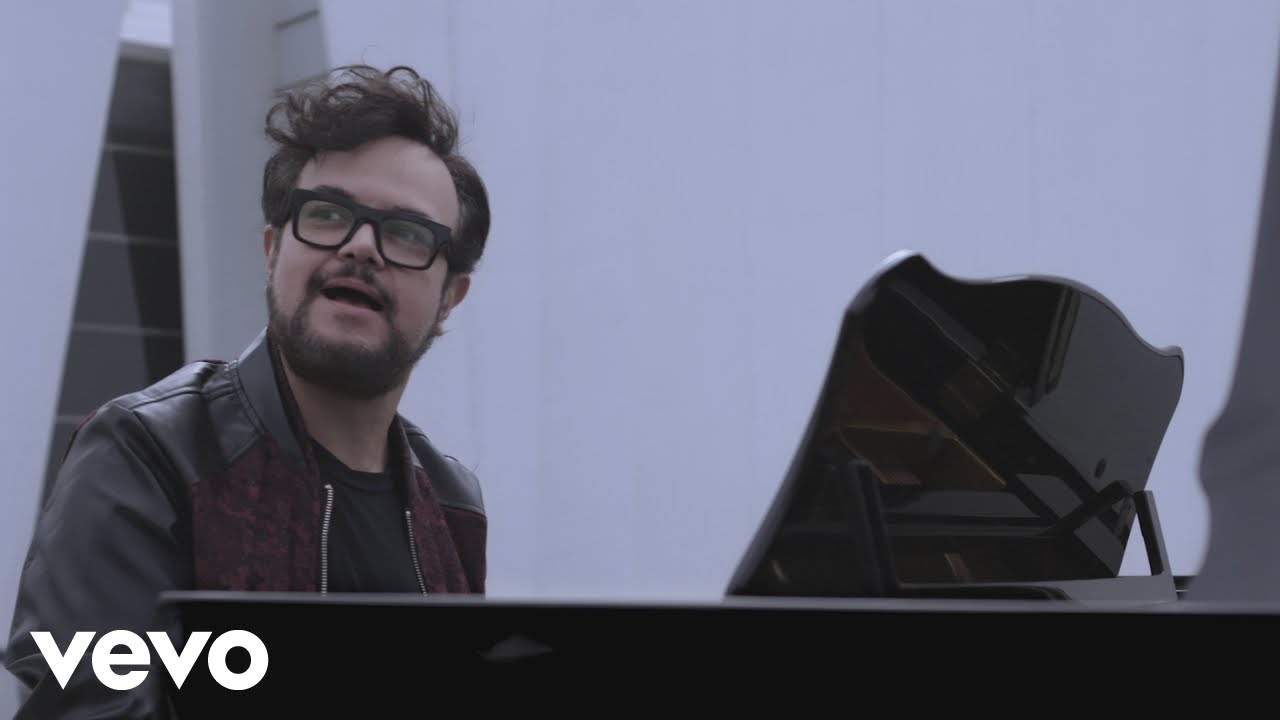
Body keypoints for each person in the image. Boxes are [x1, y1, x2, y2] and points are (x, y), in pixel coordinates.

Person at [4, 63, 490, 718]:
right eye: (327, 214)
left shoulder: (451, 503)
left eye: (407, 233)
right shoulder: (150, 454)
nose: (361, 247)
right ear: (271, 251)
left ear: (450, 297)